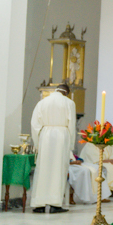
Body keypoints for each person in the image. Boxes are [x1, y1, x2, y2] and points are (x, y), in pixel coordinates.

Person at [30, 84, 77, 213]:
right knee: (59, 169)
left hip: (45, 136)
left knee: (43, 168)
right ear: (66, 92)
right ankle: (55, 204)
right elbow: (72, 124)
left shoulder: (43, 102)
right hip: (62, 136)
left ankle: (39, 204)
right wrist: (71, 146)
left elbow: (35, 124)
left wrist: (37, 142)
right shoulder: (69, 103)